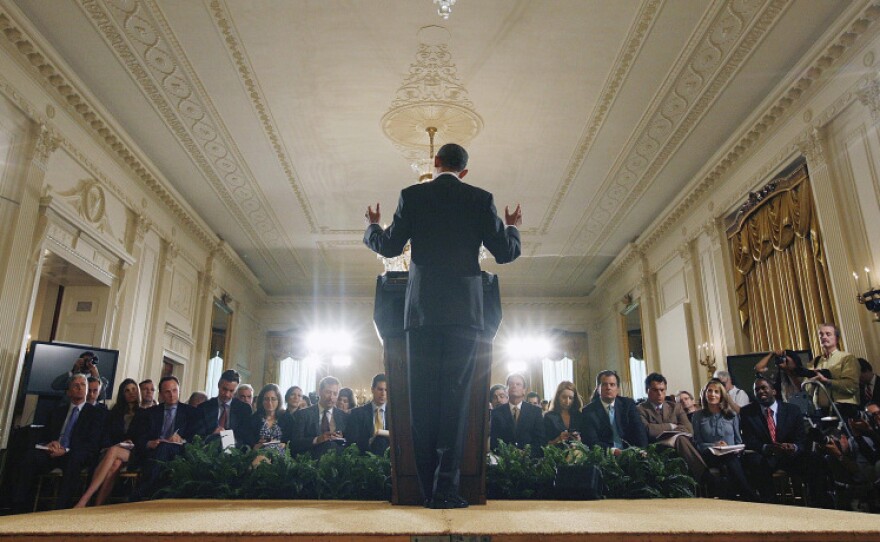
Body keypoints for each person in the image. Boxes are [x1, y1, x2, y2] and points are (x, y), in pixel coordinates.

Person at [363, 142, 522, 509]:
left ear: (434, 164)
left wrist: (372, 225)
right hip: (466, 318)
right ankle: (446, 491)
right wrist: (512, 228)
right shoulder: (481, 199)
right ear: (464, 171)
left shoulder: (412, 195)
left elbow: (388, 248)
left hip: (420, 317)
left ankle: (421, 489)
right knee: (456, 403)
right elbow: (504, 253)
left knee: (421, 404)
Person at [11, 374, 103, 512]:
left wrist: (66, 450)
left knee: (74, 460)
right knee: (30, 457)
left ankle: (62, 509)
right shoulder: (57, 411)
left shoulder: (95, 413)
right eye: (75, 385)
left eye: (83, 384)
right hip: (53, 452)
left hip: (74, 453)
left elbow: (92, 442)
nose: (79, 387)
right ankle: (19, 506)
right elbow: (45, 435)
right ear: (69, 391)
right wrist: (49, 444)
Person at [740, 377, 826, 504]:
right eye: (756, 389)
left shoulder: (792, 410)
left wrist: (794, 447)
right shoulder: (747, 412)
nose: (760, 391)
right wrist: (766, 448)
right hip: (766, 456)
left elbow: (801, 438)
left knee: (815, 460)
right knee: (752, 462)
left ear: (774, 391)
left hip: (790, 456)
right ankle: (771, 505)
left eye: (764, 388)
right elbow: (749, 439)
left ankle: (818, 503)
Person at [74, 378, 141, 508]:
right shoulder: (115, 412)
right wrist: (118, 443)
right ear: (123, 394)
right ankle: (97, 506)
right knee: (115, 464)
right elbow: (108, 434)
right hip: (116, 450)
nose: (131, 393)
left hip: (135, 452)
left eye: (133, 389)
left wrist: (129, 442)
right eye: (127, 391)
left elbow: (143, 437)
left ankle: (84, 500)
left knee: (113, 451)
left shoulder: (145, 413)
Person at [130, 376, 199, 500]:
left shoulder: (191, 412)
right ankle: (152, 495)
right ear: (161, 394)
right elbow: (138, 437)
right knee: (160, 449)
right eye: (167, 392)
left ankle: (142, 494)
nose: (172, 395)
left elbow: (196, 437)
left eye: (174, 390)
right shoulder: (150, 413)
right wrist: (148, 443)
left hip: (179, 452)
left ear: (179, 391)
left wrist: (182, 440)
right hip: (153, 450)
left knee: (164, 448)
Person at [691, 378, 757, 501]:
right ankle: (750, 496)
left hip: (731, 454)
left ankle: (729, 498)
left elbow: (739, 441)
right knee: (728, 461)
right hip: (710, 454)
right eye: (709, 391)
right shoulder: (697, 416)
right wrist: (714, 445)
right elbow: (698, 443)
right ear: (704, 394)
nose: (712, 394)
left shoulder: (732, 415)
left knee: (728, 462)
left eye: (716, 392)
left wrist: (733, 449)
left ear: (722, 395)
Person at [637, 373, 706, 483]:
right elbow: (648, 430)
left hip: (679, 445)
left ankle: (697, 482)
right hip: (657, 447)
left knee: (681, 440)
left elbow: (689, 430)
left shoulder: (675, 407)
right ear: (647, 390)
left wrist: (661, 430)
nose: (659, 393)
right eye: (655, 390)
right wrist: (672, 426)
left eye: (662, 390)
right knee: (681, 439)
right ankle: (705, 476)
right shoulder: (641, 409)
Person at [581, 370, 647, 452]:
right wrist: (612, 451)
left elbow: (640, 432)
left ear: (617, 389)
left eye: (612, 385)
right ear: (598, 388)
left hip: (631, 453)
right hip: (605, 457)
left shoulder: (628, 404)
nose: (608, 388)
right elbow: (591, 441)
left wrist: (641, 450)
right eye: (604, 384)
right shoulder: (588, 411)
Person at [808, 323, 860, 420]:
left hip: (844, 411)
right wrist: (812, 382)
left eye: (828, 334)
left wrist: (827, 381)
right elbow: (806, 388)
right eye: (821, 334)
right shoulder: (815, 361)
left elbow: (851, 386)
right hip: (821, 412)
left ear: (837, 338)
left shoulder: (847, 358)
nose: (824, 337)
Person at [290, 376, 349, 458]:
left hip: (336, 463)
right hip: (309, 463)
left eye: (335, 394)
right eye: (328, 392)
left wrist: (342, 439)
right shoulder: (303, 415)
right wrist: (317, 440)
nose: (331, 397)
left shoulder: (344, 417)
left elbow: (351, 443)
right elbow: (294, 444)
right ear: (320, 392)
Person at [490, 373, 544, 455]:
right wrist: (509, 453)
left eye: (518, 384)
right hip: (505, 461)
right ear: (506, 390)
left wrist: (526, 453)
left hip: (530, 460)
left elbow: (540, 439)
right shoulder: (497, 412)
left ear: (524, 390)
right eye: (511, 384)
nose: (514, 386)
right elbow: (494, 441)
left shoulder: (535, 411)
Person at [196, 369, 252, 446]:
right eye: (224, 389)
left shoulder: (244, 409)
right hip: (206, 450)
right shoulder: (204, 408)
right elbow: (197, 436)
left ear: (236, 390)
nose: (227, 394)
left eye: (231, 391)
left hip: (234, 453)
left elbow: (245, 438)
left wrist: (226, 437)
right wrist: (213, 435)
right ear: (219, 385)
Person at [754, 349, 811, 414]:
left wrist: (788, 370)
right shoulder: (779, 374)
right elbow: (758, 368)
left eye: (786, 360)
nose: (783, 362)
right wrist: (772, 354)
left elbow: (799, 388)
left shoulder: (803, 373)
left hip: (800, 410)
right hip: (784, 410)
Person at [348, 374, 390, 455]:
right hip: (366, 456)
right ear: (372, 389)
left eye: (386, 390)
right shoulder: (357, 413)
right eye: (380, 389)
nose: (383, 394)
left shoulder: (395, 414)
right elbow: (352, 440)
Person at [246, 384, 292, 454]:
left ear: (278, 401)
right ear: (261, 400)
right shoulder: (253, 419)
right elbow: (248, 442)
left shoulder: (287, 418)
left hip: (281, 456)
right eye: (266, 399)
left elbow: (292, 440)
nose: (269, 403)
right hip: (259, 454)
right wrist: (255, 446)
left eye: (273, 399)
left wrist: (285, 445)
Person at [543, 381, 583, 446]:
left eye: (571, 398)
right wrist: (558, 439)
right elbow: (543, 445)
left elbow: (588, 442)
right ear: (558, 397)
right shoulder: (549, 417)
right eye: (564, 397)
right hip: (556, 454)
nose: (567, 401)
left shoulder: (579, 416)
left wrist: (579, 441)